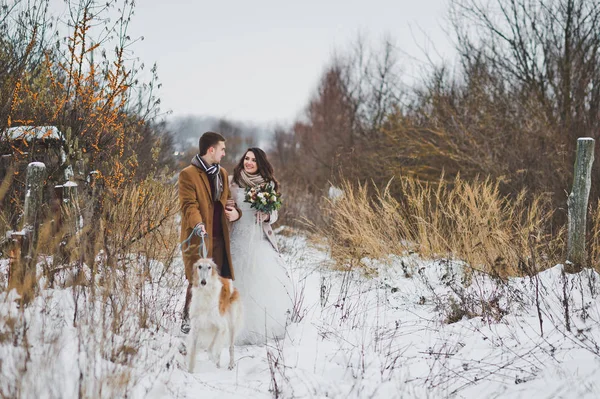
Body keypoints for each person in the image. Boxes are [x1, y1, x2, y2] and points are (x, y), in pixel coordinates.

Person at [228, 147, 292, 345]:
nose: (248, 162)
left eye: (253, 160)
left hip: (257, 240)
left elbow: (274, 213)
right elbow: (224, 204)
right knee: (234, 282)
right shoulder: (232, 181)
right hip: (235, 238)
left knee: (258, 282)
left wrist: (266, 215)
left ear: (260, 164)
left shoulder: (268, 184)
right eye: (246, 158)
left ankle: (256, 328)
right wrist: (229, 209)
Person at [179, 131, 241, 334]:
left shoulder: (222, 173)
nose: (224, 153)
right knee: (197, 279)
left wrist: (235, 212)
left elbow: (227, 200)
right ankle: (187, 319)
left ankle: (213, 320)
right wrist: (198, 224)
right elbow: (189, 205)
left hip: (219, 236)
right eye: (222, 149)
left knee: (218, 278)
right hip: (198, 237)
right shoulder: (188, 174)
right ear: (211, 150)